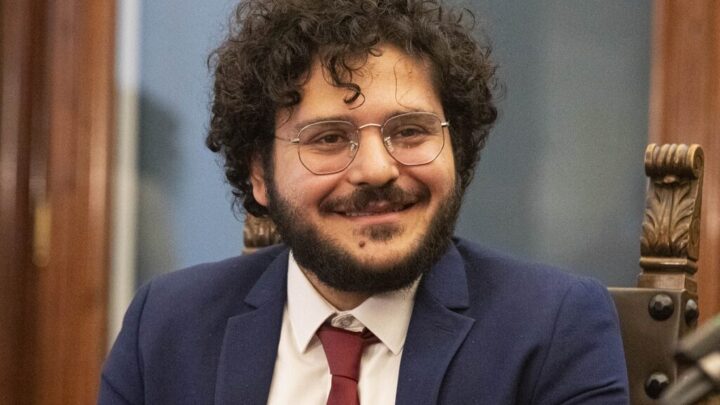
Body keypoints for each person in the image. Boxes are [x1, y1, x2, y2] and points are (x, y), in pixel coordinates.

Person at [99, 0, 629, 404]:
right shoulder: (165, 328)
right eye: (329, 138)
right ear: (260, 174)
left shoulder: (553, 328)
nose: (377, 169)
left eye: (411, 131)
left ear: (458, 148)